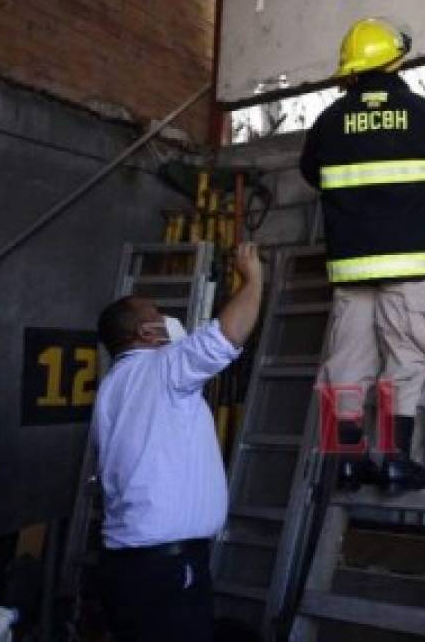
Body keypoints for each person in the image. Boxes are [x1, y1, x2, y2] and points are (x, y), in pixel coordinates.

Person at [300, 17, 425, 493]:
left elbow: (310, 173)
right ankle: (396, 462)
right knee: (406, 357)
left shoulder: (328, 122)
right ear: (396, 62)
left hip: (350, 267)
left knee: (347, 360)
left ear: (353, 71)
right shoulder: (424, 116)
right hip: (407, 263)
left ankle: (346, 462)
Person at [93, 242, 263, 642]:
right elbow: (229, 334)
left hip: (132, 566)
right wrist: (254, 277)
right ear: (147, 332)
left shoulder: (113, 387)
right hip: (166, 570)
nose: (167, 319)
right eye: (158, 315)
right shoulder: (162, 369)